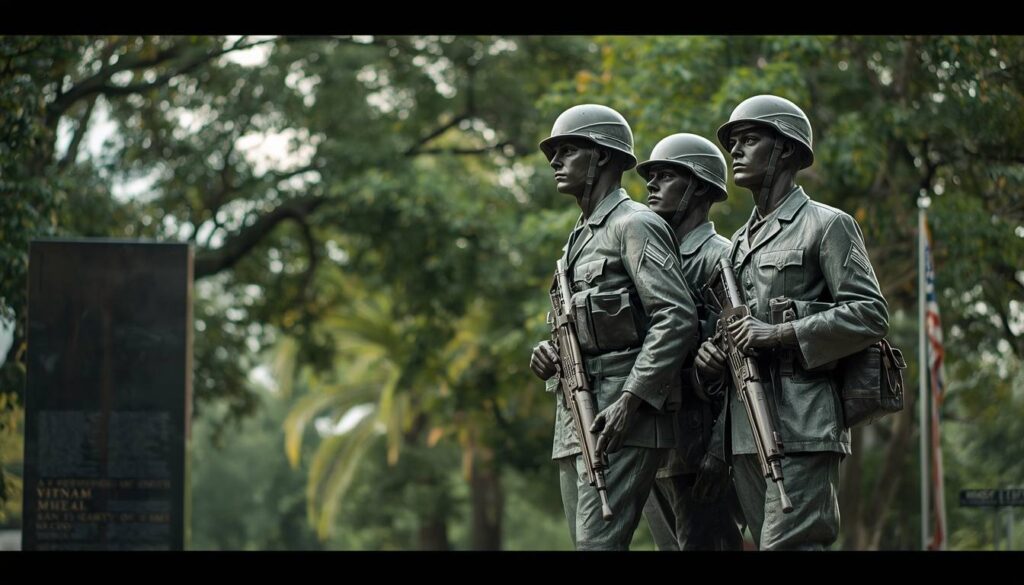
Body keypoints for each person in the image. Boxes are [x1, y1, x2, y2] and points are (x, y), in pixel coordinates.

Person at [695, 95, 889, 550]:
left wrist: (779, 331)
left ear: (783, 149)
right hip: (744, 427)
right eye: (733, 142)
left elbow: (870, 313)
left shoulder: (827, 225)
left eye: (749, 140)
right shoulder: (737, 243)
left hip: (802, 423)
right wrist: (713, 354)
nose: (735, 151)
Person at [529, 104, 697, 550]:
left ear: (602, 156)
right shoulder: (576, 240)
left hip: (621, 416)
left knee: (597, 546)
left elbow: (676, 316)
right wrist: (550, 353)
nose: (554, 161)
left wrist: (631, 399)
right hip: (575, 413)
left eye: (567, 150)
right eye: (554, 152)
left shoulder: (635, 225)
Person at [636, 133, 743, 550]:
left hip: (699, 449)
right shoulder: (652, 255)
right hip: (655, 445)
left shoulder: (720, 256)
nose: (652, 185)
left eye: (666, 176)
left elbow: (740, 367)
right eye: (652, 176)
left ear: (699, 186)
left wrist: (720, 451)